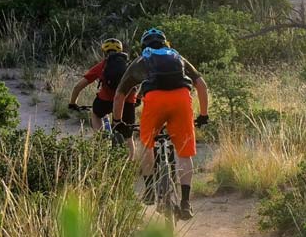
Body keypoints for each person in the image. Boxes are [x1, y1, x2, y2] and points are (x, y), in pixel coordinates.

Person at [112, 28, 209, 220]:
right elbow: (201, 85)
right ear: (165, 44)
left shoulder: (141, 61)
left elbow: (119, 95)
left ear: (144, 46)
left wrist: (118, 122)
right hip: (182, 99)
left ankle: (149, 189)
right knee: (184, 152)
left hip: (155, 101)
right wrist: (204, 115)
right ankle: (186, 202)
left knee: (147, 143)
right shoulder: (177, 57)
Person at [69, 38, 137, 151]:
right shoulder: (129, 65)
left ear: (104, 53)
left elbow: (78, 86)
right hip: (127, 102)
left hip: (106, 101)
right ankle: (129, 164)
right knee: (128, 138)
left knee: (96, 113)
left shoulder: (102, 66)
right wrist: (137, 99)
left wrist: (73, 103)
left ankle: (100, 139)